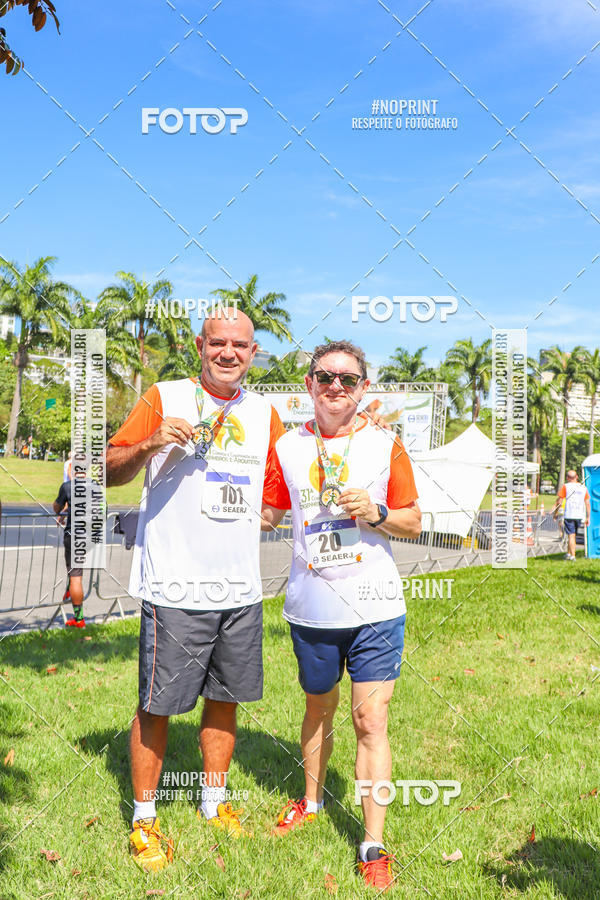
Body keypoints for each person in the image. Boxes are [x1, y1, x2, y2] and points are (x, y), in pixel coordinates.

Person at [105, 308, 288, 871]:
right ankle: (144, 819)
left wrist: (270, 513)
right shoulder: (165, 396)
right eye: (218, 343)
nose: (228, 353)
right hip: (174, 585)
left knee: (224, 700)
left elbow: (277, 496)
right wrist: (150, 444)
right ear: (200, 346)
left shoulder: (265, 415)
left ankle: (214, 803)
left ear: (253, 353)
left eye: (240, 345)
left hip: (238, 588)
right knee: (157, 706)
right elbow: (108, 468)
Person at [261, 340, 421, 892]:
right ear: (309, 384)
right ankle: (310, 801)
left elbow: (414, 521)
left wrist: (376, 512)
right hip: (312, 607)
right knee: (318, 709)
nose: (335, 387)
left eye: (348, 380)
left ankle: (373, 842)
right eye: (325, 377)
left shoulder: (385, 444)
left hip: (376, 606)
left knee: (370, 722)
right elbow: (269, 513)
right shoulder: (284, 447)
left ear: (363, 388)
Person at [53, 475, 86, 627]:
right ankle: (69, 589)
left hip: (74, 536)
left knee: (75, 577)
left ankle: (79, 620)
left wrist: (61, 509)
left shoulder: (68, 486)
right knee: (76, 571)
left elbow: (56, 507)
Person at [552, 469, 590, 560]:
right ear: (577, 477)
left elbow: (559, 502)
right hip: (579, 515)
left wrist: (555, 513)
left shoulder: (566, 486)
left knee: (571, 535)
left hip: (569, 514)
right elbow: (587, 503)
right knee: (573, 535)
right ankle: (569, 553)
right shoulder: (583, 488)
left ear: (568, 478)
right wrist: (588, 517)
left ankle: (573, 556)